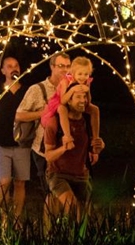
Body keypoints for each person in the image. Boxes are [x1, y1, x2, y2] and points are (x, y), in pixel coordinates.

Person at [15, 52, 71, 195]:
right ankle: (50, 218)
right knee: (50, 193)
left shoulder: (73, 87)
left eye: (68, 66)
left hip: (67, 148)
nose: (65, 70)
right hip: (43, 149)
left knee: (67, 192)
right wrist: (43, 113)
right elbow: (18, 115)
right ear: (52, 67)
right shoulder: (37, 89)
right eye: (61, 66)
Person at [0, 56, 29, 226]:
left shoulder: (26, 92)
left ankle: (16, 218)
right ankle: (1, 216)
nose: (13, 68)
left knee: (20, 183)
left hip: (22, 144)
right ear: (2, 70)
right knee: (4, 181)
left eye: (16, 65)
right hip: (1, 143)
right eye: (9, 66)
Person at [43, 87, 101, 221]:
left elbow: (93, 148)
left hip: (81, 174)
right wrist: (63, 148)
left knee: (86, 216)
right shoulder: (55, 122)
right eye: (78, 97)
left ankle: (77, 238)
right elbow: (48, 156)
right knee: (72, 207)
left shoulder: (87, 120)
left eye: (84, 97)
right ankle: (65, 238)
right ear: (68, 100)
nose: (83, 101)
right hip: (58, 174)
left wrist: (99, 146)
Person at [41, 56, 103, 156]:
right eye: (80, 74)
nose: (83, 77)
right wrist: (73, 90)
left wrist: (87, 92)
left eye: (86, 74)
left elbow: (88, 102)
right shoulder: (66, 81)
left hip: (76, 103)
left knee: (95, 109)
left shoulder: (86, 82)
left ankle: (95, 138)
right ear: (73, 73)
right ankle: (67, 135)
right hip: (60, 102)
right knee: (62, 109)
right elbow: (63, 100)